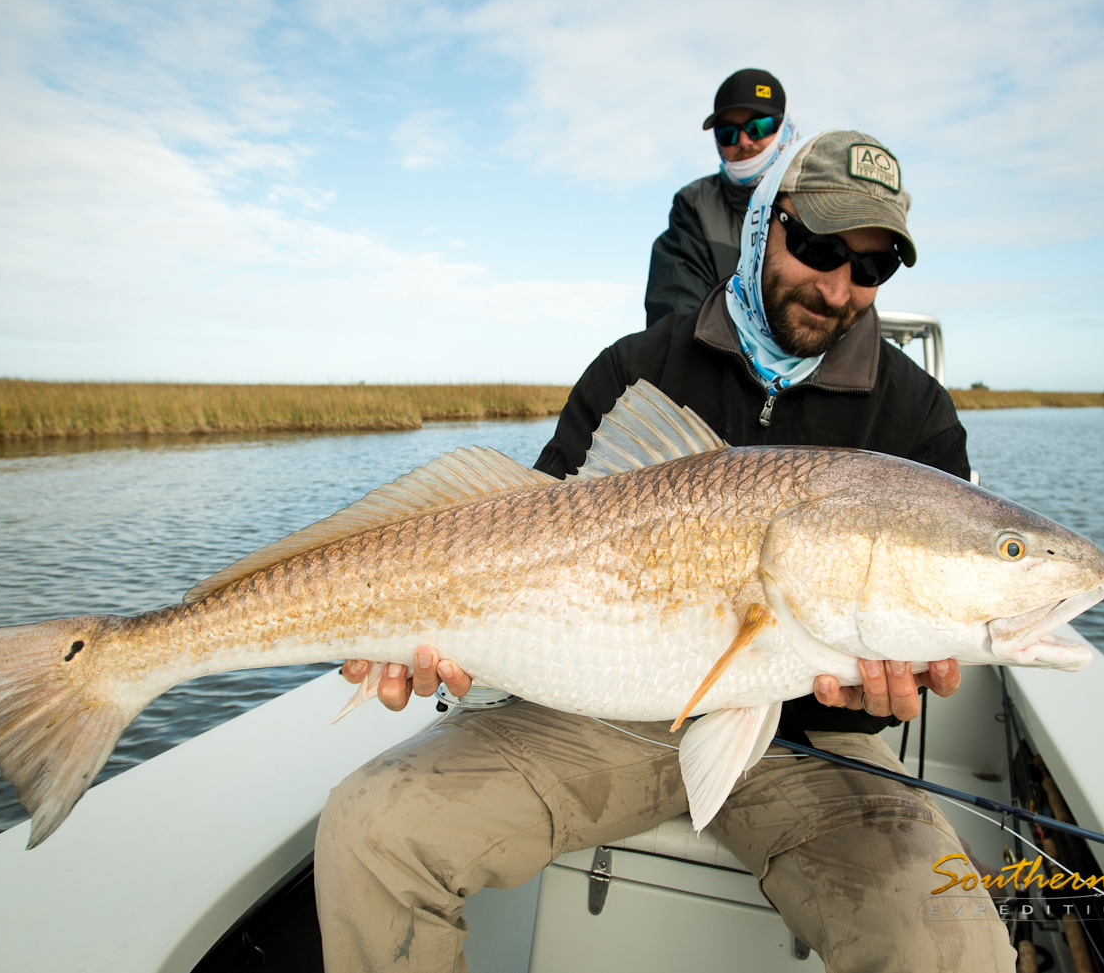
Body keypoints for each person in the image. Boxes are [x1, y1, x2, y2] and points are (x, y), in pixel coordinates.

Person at [316, 130, 1015, 972]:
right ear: (765, 222)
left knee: (955, 951)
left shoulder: (918, 420)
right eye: (819, 246)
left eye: (871, 268)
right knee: (370, 831)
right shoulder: (638, 367)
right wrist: (440, 644)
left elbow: (924, 622)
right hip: (600, 717)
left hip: (814, 745)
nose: (837, 286)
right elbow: (514, 539)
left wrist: (890, 686)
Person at [643, 67, 801, 329]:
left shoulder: (821, 200)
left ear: (787, 125)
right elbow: (675, 321)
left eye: (758, 127)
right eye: (727, 133)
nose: (743, 141)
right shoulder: (693, 205)